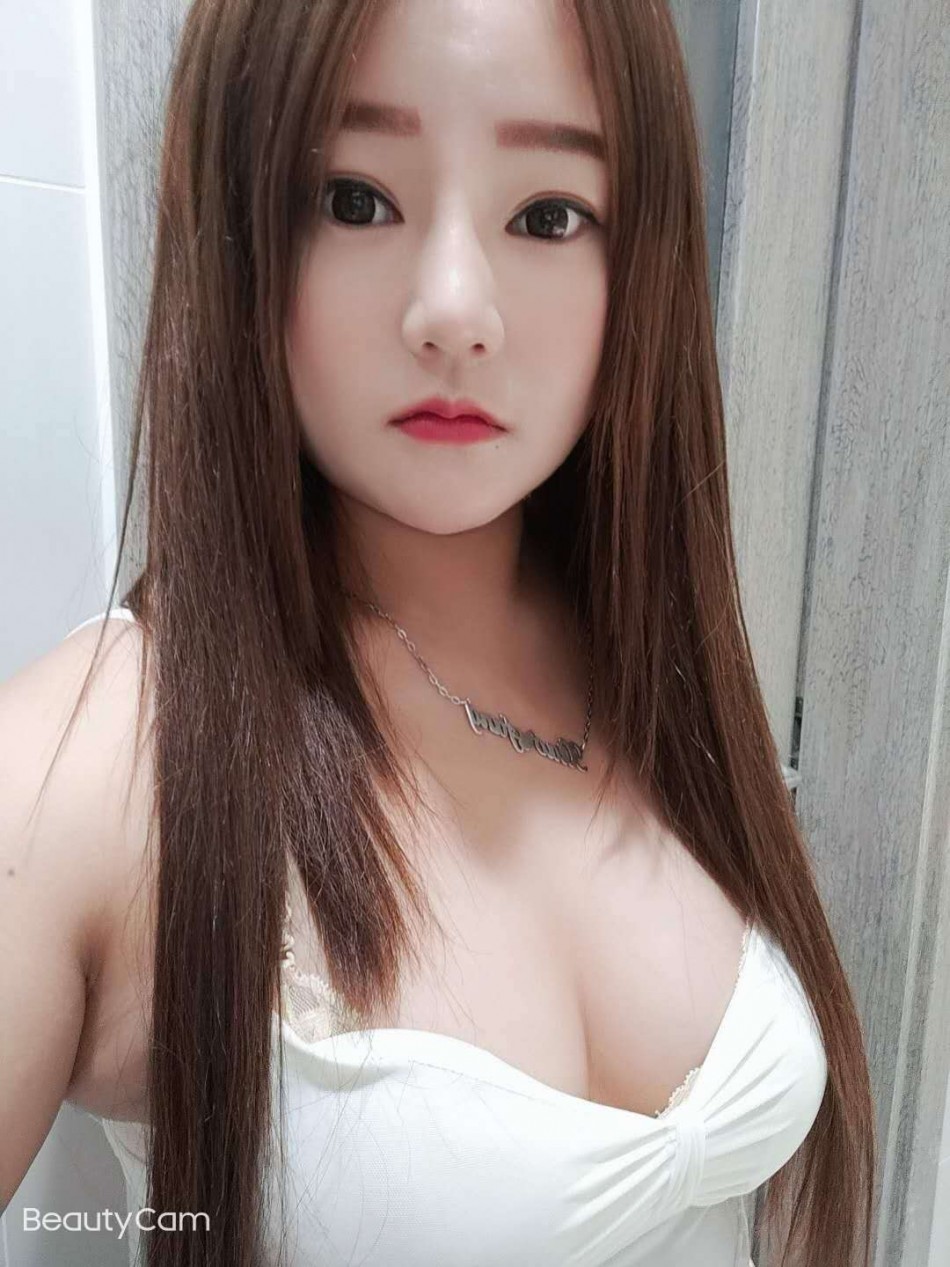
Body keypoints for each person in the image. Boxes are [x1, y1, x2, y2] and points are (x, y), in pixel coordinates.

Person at [0, 1, 876, 1264]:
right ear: (239, 224)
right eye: (354, 199)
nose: (455, 310)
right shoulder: (93, 764)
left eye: (547, 215)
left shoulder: (647, 663)